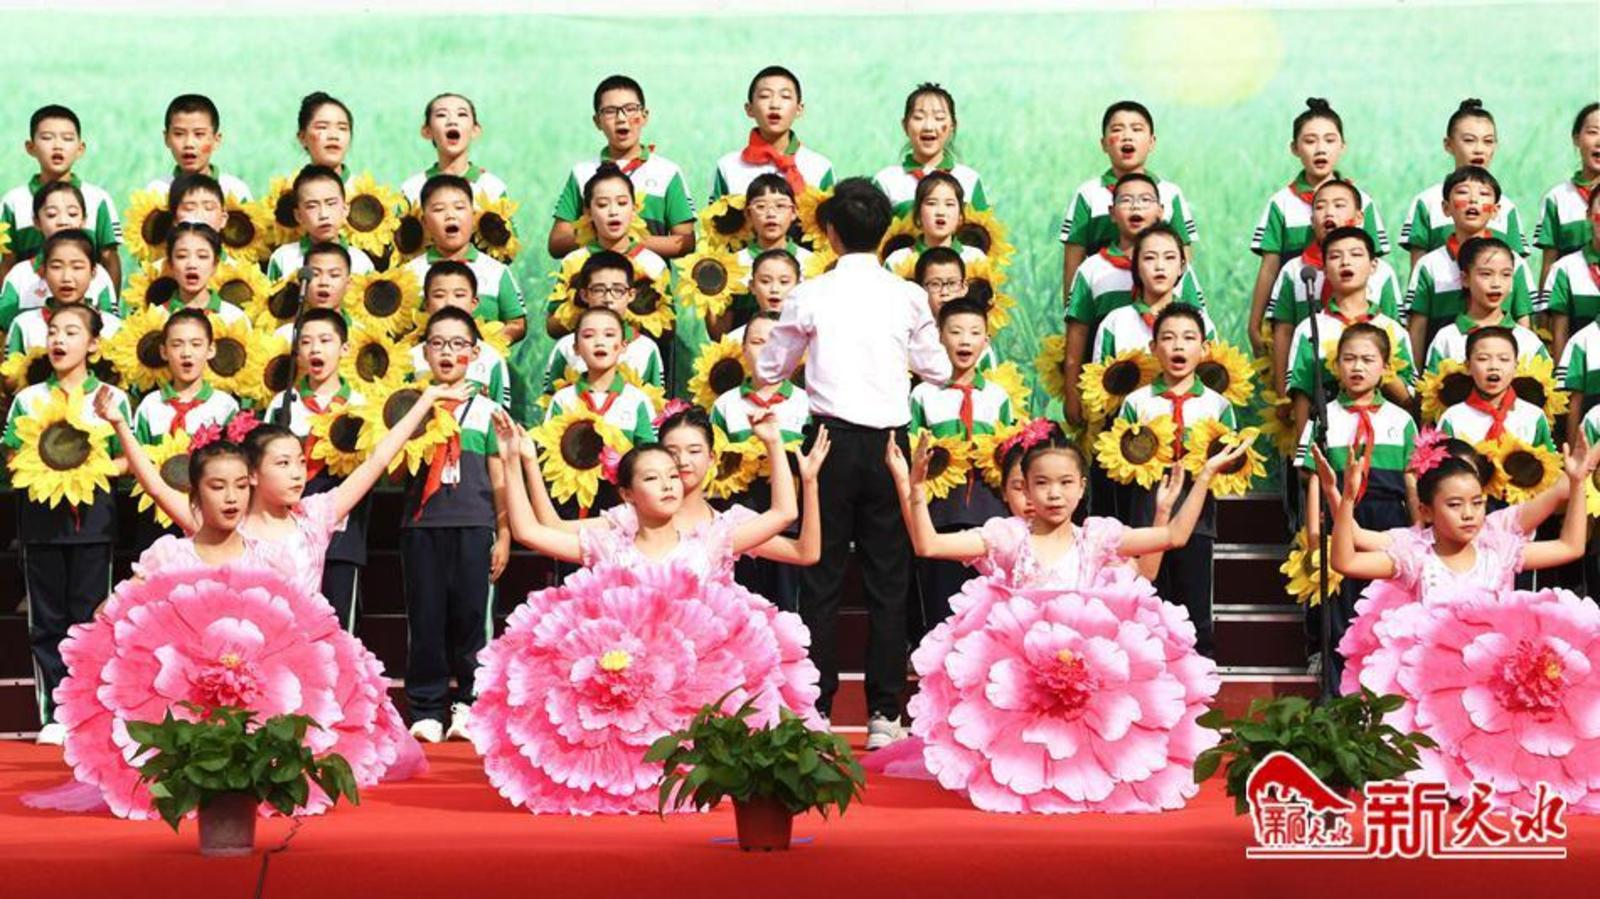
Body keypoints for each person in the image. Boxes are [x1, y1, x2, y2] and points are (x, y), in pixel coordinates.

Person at [472, 408, 818, 813]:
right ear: (627, 494)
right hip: (621, 684)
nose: (670, 483)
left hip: (694, 688)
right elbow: (531, 531)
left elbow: (784, 514)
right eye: (652, 478)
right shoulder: (608, 546)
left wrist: (774, 443)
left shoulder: (711, 543)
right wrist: (513, 459)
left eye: (672, 475)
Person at [881, 432, 1240, 812]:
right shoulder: (1008, 538)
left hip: (1086, 678)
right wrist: (913, 486)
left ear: (1082, 487)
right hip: (1020, 683)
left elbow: (1174, 536)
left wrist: (1205, 476)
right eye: (1042, 483)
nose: (1054, 494)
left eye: (1066, 483)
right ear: (1024, 489)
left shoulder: (1097, 538)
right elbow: (929, 545)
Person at [755, 177, 950, 746]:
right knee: (889, 580)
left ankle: (815, 709)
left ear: (830, 232)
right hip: (889, 444)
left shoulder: (810, 293)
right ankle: (884, 715)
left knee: (821, 577)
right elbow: (938, 369)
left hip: (828, 445)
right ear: (885, 231)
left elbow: (769, 369)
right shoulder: (907, 295)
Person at [1328, 434, 1600, 811]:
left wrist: (1577, 483)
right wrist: (1345, 500)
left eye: (1477, 503)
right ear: (1425, 511)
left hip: (1495, 691)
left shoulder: (1499, 554)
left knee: (1497, 784)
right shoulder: (1417, 559)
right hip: (1433, 687)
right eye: (1455, 505)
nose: (1469, 514)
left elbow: (1571, 546)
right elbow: (1346, 561)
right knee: (1436, 780)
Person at [2, 304, 130, 745]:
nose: (59, 340)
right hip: (41, 523)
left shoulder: (111, 399)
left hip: (94, 521)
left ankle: (89, 709)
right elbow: (12, 455)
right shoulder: (29, 399)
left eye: (72, 332)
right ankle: (54, 713)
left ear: (93, 344)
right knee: (47, 621)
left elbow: (127, 459)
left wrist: (91, 469)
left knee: (90, 618)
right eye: (53, 331)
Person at [399, 308, 510, 743]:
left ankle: (470, 704)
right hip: (421, 527)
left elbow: (500, 478)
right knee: (425, 620)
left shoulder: (488, 411)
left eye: (458, 344)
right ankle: (426, 709)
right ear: (425, 352)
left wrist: (504, 534)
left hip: (475, 525)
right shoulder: (410, 406)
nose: (447, 352)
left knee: (472, 620)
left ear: (475, 352)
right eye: (438, 343)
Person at [1293, 323, 1417, 684]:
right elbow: (1314, 477)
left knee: (1387, 606)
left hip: (1389, 519)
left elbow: (1411, 480)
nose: (1357, 367)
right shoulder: (1323, 418)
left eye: (1367, 359)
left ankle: (1386, 690)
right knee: (1340, 609)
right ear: (1336, 366)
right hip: (1341, 518)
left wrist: (1418, 531)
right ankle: (1337, 691)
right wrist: (1314, 533)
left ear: (1385, 367)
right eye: (1348, 359)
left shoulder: (1402, 421)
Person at [1117, 305, 1237, 657]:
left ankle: (1200, 673)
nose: (1178, 346)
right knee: (1148, 600)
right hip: (1147, 517)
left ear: (1204, 348)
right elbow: (1120, 462)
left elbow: (1230, 463)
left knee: (1194, 606)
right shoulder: (1136, 402)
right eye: (1168, 338)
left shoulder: (1218, 405)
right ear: (1153, 348)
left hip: (1196, 519)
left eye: (1188, 338)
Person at [906, 297, 1016, 638]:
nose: (965, 340)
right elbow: (911, 452)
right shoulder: (923, 394)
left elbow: (1010, 458)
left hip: (989, 512)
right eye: (955, 332)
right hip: (941, 513)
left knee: (988, 602)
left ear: (986, 340)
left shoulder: (998, 396)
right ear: (940, 337)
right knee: (941, 601)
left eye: (974, 332)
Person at [1247, 98, 1389, 360]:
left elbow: (1375, 266)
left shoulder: (1362, 202)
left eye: (1329, 140)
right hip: (1298, 309)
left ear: (1342, 146)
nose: (1320, 149)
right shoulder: (1281, 203)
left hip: (1355, 323)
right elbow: (1269, 267)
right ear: (1294, 148)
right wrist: (1254, 324)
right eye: (1310, 141)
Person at [1063, 174, 1206, 427]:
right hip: (1120, 411)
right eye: (1126, 200)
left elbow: (1200, 329)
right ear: (1111, 211)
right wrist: (1072, 391)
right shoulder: (1094, 271)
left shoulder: (1182, 274)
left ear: (1161, 211)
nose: (1136, 206)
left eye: (1145, 200)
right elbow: (1078, 332)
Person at [1265, 178, 1403, 392]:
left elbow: (1393, 328)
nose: (1329, 213)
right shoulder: (1294, 270)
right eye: (1320, 207)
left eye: (1339, 205)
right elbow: (1284, 331)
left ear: (1359, 217)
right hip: (1312, 384)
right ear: (1312, 221)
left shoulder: (1382, 272)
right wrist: (1283, 392)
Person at [1284, 227, 1414, 442]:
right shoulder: (1310, 329)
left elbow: (1408, 399)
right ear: (1324, 268)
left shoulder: (1392, 330)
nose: (1345, 262)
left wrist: (1381, 369)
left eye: (1356, 254)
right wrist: (1305, 451)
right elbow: (1302, 395)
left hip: (1384, 440)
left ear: (1373, 265)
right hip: (1331, 440)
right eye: (1335, 256)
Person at [547, 75, 695, 259]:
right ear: (597, 121)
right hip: (595, 277)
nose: (621, 118)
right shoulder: (582, 173)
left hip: (650, 276)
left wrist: (627, 242)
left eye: (631, 109)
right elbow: (556, 243)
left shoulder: (667, 172)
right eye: (610, 111)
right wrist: (599, 237)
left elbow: (686, 242)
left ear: (644, 116)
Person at [1059, 100, 1196, 297]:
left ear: (1152, 142)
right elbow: (1073, 261)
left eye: (1137, 129)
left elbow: (1184, 260)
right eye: (1117, 129)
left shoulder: (1170, 193)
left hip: (1159, 306)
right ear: (1104, 144)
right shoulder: (1089, 194)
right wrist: (1072, 309)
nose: (1127, 136)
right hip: (1104, 299)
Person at [128, 309, 241, 547]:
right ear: (164, 351)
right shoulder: (150, 405)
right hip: (157, 512)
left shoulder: (225, 406)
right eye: (177, 344)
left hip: (207, 514)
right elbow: (138, 461)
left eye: (196, 344)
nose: (186, 353)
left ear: (211, 350)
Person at [1405, 166, 1536, 357]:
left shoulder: (1514, 262)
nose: (1473, 200)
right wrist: (1416, 374)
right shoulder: (1429, 265)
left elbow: (1523, 321)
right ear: (1446, 208)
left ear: (1496, 210)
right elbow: (1418, 328)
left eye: (1484, 194)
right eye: (1463, 192)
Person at [0, 105, 121, 288]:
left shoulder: (97, 198)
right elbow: (8, 261)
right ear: (30, 147)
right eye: (47, 138)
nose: (57, 145)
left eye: (67, 138)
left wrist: (110, 303)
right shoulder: (14, 201)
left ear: (80, 148)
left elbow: (109, 258)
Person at [1399, 99, 1526, 265]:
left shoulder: (1506, 207)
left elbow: (1515, 268)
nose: (1479, 149)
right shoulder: (1427, 202)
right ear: (1448, 144)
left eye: (1488, 141)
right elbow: (1419, 271)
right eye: (1469, 140)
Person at [402, 173, 526, 342]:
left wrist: (481, 344)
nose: (450, 215)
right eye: (439, 209)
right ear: (424, 222)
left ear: (473, 216)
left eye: (459, 207)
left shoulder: (496, 271)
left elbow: (517, 324)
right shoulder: (408, 274)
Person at [0, 182, 118, 331]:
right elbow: (5, 329)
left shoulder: (100, 276)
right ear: (36, 221)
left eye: (72, 214)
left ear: (84, 220)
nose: (63, 221)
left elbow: (110, 328)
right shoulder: (19, 275)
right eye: (51, 215)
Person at [543, 252, 663, 397]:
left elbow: (656, 403)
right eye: (599, 290)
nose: (608, 298)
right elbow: (551, 400)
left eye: (618, 290)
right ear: (584, 295)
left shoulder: (647, 348)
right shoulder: (566, 347)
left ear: (631, 295)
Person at [1423, 236, 1550, 371]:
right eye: (1486, 274)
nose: (1496, 283)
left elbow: (1546, 383)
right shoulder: (1446, 339)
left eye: (1506, 274)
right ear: (1465, 279)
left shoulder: (1527, 341)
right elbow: (1431, 383)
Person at [710, 65, 834, 200]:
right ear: (749, 109)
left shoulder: (820, 167)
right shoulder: (728, 166)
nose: (775, 104)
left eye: (785, 96)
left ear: (799, 109)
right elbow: (715, 213)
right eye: (765, 96)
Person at [872, 83, 989, 217]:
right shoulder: (886, 181)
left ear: (952, 126)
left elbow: (983, 228)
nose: (928, 126)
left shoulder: (969, 179)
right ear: (905, 125)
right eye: (919, 118)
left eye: (939, 118)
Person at [4, 230, 123, 357]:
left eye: (77, 267)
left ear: (93, 272)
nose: (66, 277)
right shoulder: (25, 325)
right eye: (56, 267)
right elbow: (11, 368)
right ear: (44, 271)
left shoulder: (112, 327)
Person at [409, 261, 512, 407]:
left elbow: (500, 411)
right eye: (439, 295)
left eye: (459, 295)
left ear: (474, 303)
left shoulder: (492, 359)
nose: (450, 302)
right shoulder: (411, 358)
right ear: (427, 304)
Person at [1437, 326, 1555, 449]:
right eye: (1483, 359)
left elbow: (1547, 458)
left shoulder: (1533, 416)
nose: (1494, 366)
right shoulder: (1453, 418)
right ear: (1468, 366)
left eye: (1504, 359)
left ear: (1516, 366)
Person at [265, 165, 375, 279]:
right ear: (298, 216)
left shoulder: (361, 263)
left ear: (345, 209)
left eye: (331, 203)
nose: (323, 215)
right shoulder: (283, 259)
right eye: (312, 206)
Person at [399, 92, 510, 205]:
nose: (452, 121)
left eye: (461, 114)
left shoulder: (493, 188)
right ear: (427, 131)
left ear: (475, 130)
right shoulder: (412, 189)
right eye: (441, 115)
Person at [1533, 102, 1600, 285]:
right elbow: (1548, 266)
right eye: (1593, 132)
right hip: (1569, 300)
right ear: (1576, 139)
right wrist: (1544, 302)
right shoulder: (1558, 198)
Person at [145, 93, 252, 200]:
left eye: (199, 134)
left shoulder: (234, 190)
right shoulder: (157, 191)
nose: (189, 144)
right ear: (167, 139)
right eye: (179, 134)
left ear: (216, 140)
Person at [882, 172, 985, 275]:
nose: (941, 212)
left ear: (960, 215)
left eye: (949, 204)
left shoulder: (975, 259)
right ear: (918, 213)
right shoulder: (897, 261)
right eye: (931, 203)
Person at [1548, 183, 1600, 368]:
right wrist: (1562, 380)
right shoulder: (1565, 268)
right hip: (1582, 376)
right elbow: (1560, 334)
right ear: (1588, 215)